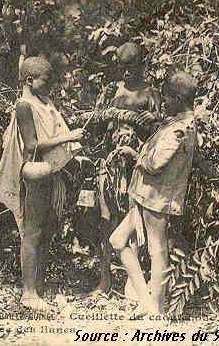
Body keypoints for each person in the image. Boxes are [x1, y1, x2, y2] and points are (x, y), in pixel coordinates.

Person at [0, 56, 84, 311]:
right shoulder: (24, 105)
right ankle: (28, 293)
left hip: (49, 172)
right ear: (29, 80)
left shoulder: (44, 101)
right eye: (46, 81)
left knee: (47, 229)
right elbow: (31, 145)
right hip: (34, 173)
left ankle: (37, 286)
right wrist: (68, 137)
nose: (50, 87)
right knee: (32, 232)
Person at [109, 70, 198, 316]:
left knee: (157, 250)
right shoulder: (178, 122)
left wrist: (137, 157)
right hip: (146, 194)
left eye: (167, 98)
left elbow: (157, 162)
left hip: (157, 197)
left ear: (177, 99)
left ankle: (157, 309)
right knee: (118, 240)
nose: (164, 103)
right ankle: (147, 301)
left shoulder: (181, 127)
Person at [90, 42, 162, 296]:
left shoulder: (152, 94)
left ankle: (135, 283)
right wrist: (106, 116)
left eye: (131, 66)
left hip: (137, 165)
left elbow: (159, 134)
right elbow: (96, 125)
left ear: (142, 64)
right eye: (122, 67)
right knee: (106, 219)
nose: (127, 73)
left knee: (136, 222)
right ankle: (105, 281)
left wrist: (148, 123)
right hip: (111, 165)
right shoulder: (113, 91)